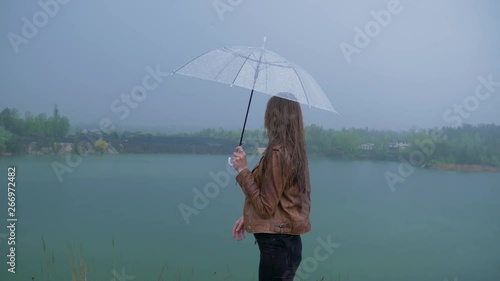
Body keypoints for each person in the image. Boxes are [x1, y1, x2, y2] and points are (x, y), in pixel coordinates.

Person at [231, 93, 312, 281]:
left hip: (277, 246)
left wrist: (243, 170)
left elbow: (266, 208)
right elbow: (279, 198)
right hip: (287, 243)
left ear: (274, 117)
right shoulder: (294, 150)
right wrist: (248, 214)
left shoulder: (278, 153)